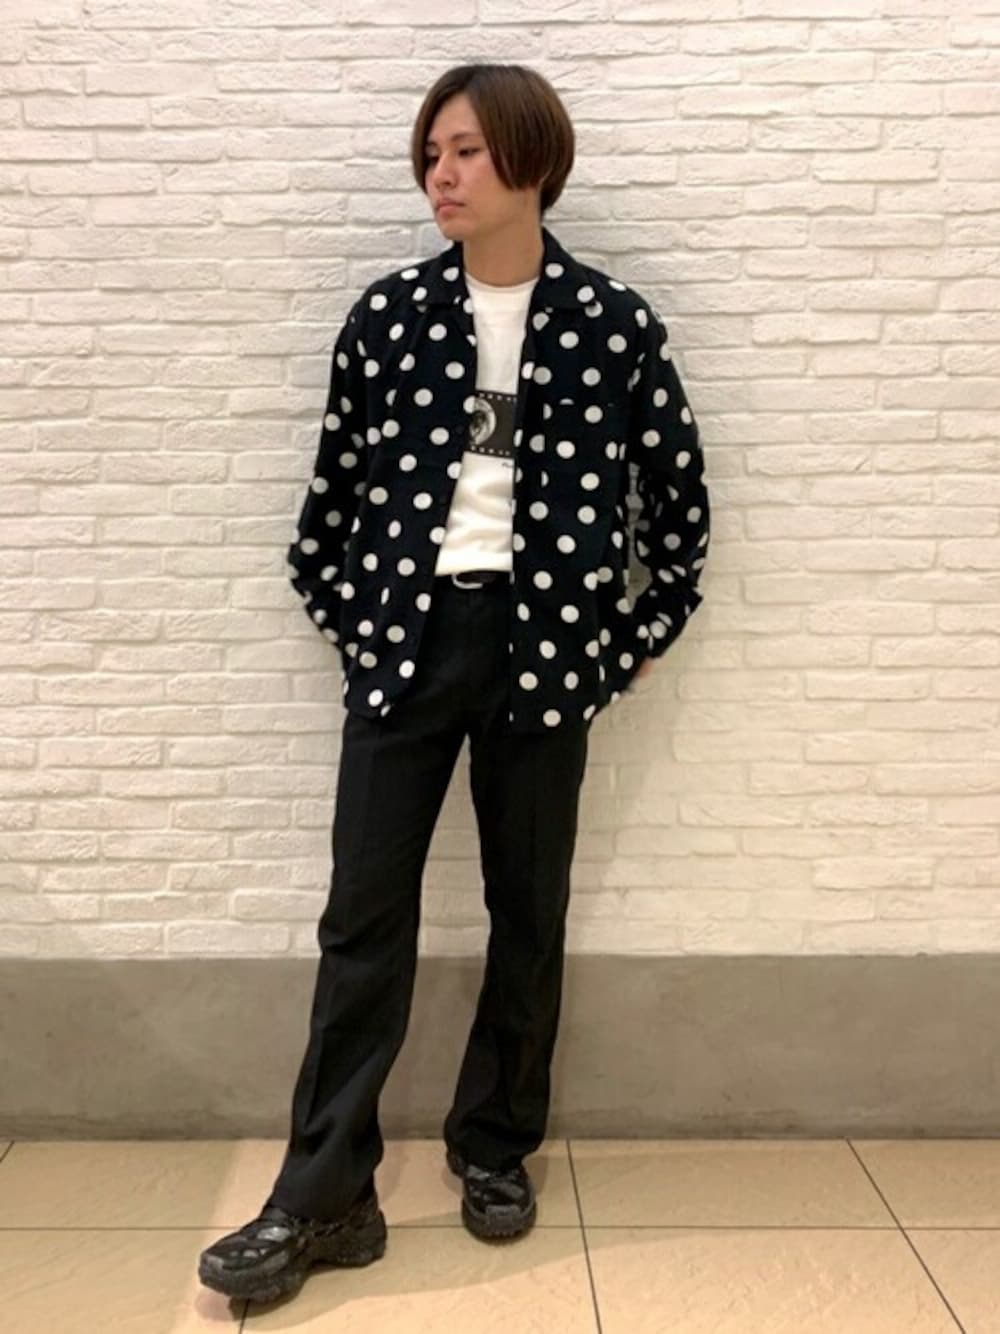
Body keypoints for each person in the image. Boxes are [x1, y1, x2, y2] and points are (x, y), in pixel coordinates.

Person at [198, 61, 709, 1307]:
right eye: (431, 153)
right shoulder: (388, 318)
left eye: (466, 150)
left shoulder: (611, 324)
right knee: (361, 918)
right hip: (408, 645)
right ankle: (325, 1192)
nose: (441, 173)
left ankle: (494, 1146)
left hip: (547, 650)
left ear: (533, 159)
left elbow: (679, 506)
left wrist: (629, 636)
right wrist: (360, 623)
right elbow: (330, 502)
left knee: (526, 909)